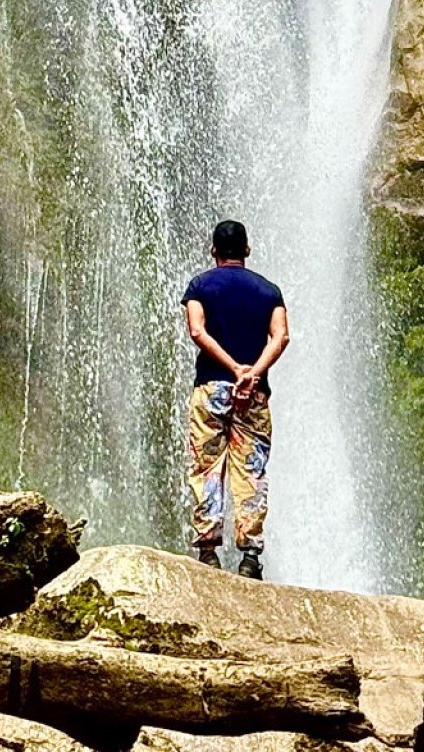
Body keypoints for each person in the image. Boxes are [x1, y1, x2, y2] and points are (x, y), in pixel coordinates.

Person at [183, 219, 288, 578]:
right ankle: (250, 557)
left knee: (207, 466)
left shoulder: (199, 286)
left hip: (212, 389)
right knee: (251, 470)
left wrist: (230, 367)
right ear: (247, 250)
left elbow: (197, 330)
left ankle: (209, 550)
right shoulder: (269, 291)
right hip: (253, 394)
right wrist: (252, 372)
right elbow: (281, 337)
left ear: (213, 250)